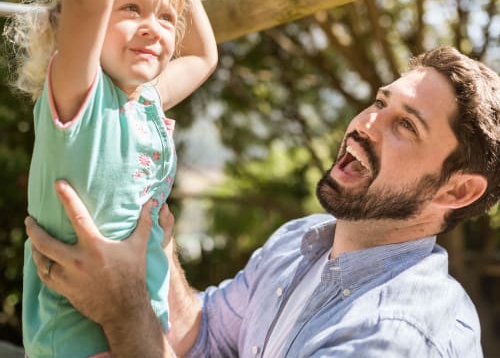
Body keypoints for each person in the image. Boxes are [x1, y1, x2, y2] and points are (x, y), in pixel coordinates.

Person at [26, 46, 499, 357]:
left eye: (406, 126)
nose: (365, 125)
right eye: (379, 103)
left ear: (456, 190)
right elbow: (205, 336)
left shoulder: (395, 336)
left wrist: (123, 311)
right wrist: (156, 236)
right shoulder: (300, 241)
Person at [4, 0, 217, 357]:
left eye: (167, 18)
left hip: (139, 325)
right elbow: (85, 2)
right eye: (131, 10)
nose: (154, 28)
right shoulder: (81, 95)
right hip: (74, 338)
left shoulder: (144, 101)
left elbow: (203, 57)